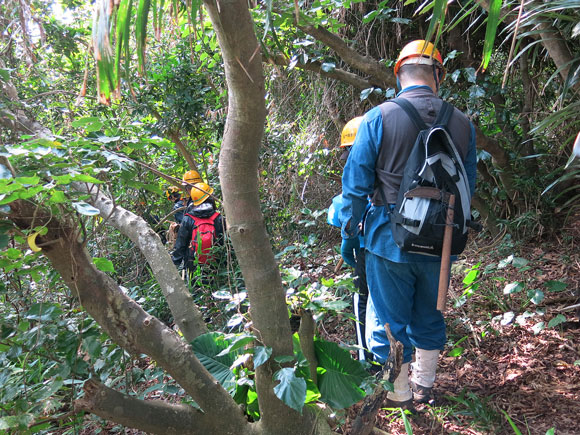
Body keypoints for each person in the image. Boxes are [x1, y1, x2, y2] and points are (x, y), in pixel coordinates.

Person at [340, 40, 477, 408]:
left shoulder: (378, 117)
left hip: (389, 239)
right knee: (431, 315)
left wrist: (350, 229)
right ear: (438, 75)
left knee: (389, 320)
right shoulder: (462, 123)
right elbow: (470, 186)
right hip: (442, 239)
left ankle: (399, 397)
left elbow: (354, 186)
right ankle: (425, 387)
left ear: (398, 73)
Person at [327, 116, 374, 363]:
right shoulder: (393, 157)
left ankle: (367, 359)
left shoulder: (358, 165)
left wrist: (348, 238)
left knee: (363, 299)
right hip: (396, 240)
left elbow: (351, 198)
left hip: (367, 249)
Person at [171, 182, 225, 278]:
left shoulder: (188, 218)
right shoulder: (218, 218)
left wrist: (175, 263)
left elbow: (181, 244)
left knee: (196, 289)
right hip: (217, 263)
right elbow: (224, 241)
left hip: (194, 263)